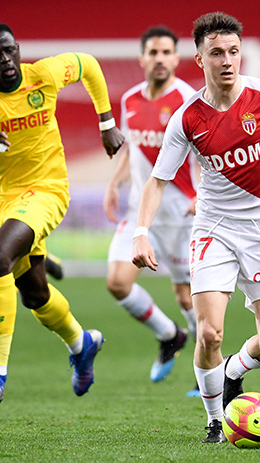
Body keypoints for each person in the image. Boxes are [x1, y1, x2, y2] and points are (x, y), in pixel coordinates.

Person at [132, 12, 260, 443]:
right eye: (217, 53)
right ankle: (214, 421)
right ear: (199, 59)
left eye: (234, 51)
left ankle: (233, 372)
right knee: (209, 331)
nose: (227, 61)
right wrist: (140, 231)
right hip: (214, 229)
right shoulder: (187, 117)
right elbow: (158, 180)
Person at [0, 23, 125, 406]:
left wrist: (106, 123)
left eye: (10, 50)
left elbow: (89, 65)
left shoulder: (44, 74)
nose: (6, 59)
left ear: (18, 49)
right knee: (35, 295)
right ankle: (81, 342)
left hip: (47, 190)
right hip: (1, 202)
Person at [103, 26, 199, 392]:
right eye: (153, 52)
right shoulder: (129, 99)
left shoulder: (189, 100)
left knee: (187, 296)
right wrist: (114, 182)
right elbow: (131, 147)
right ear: (142, 58)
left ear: (176, 58)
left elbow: (207, 149)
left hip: (180, 214)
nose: (159, 59)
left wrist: (203, 193)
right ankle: (169, 334)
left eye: (166, 52)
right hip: (140, 212)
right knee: (117, 282)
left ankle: (209, 371)